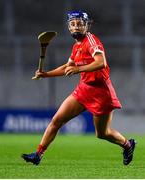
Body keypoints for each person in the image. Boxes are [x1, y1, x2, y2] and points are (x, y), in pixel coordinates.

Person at [22, 10, 136, 166]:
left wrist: (78, 69)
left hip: (101, 92)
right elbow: (68, 67)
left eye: (80, 24)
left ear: (86, 26)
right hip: (84, 90)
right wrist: (46, 74)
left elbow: (100, 62)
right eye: (73, 24)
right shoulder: (76, 46)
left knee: (102, 134)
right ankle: (38, 154)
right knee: (56, 120)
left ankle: (127, 145)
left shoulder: (91, 40)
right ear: (69, 27)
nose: (76, 27)